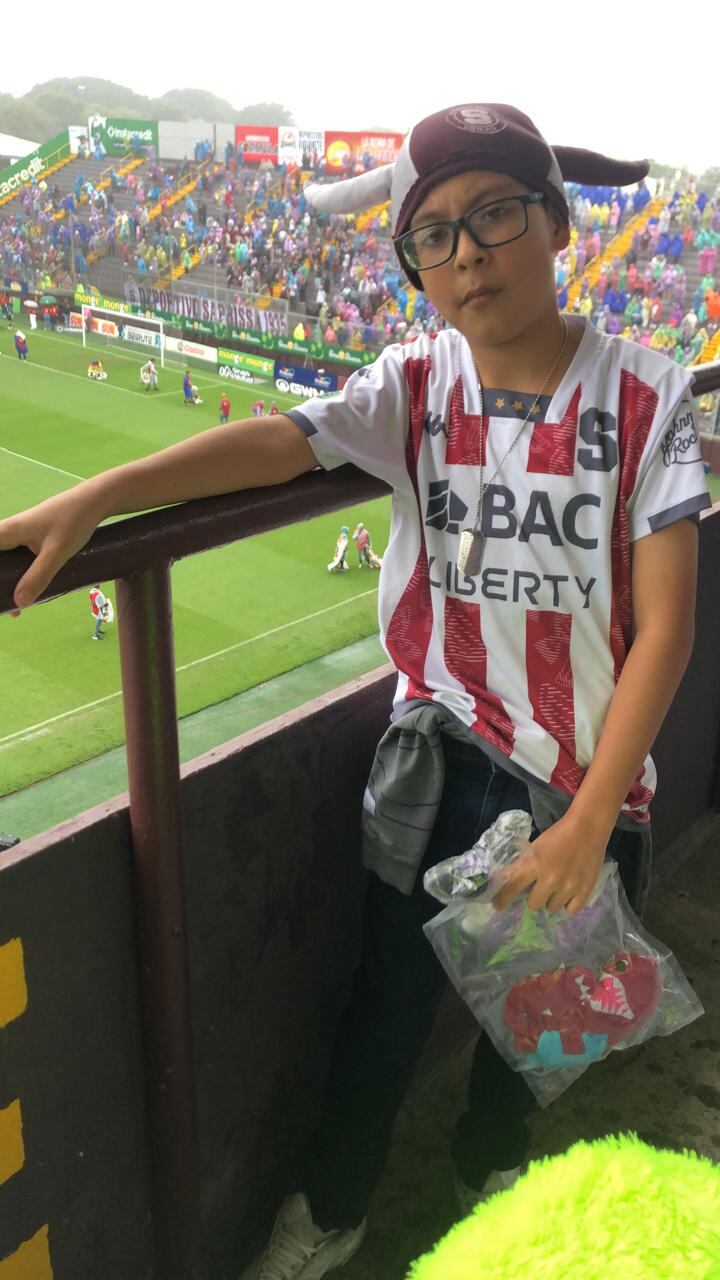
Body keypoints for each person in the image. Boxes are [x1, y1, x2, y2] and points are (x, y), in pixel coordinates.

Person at [0, 103, 710, 1280]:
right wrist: (102, 496)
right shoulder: (416, 381)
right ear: (414, 269)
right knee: (380, 1013)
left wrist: (588, 822)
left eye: (493, 214)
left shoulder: (647, 396)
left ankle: (497, 1176)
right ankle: (333, 1210)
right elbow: (279, 443)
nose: (467, 251)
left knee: (531, 1035)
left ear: (558, 224)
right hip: (436, 765)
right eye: (432, 234)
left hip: (588, 789)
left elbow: (669, 626)